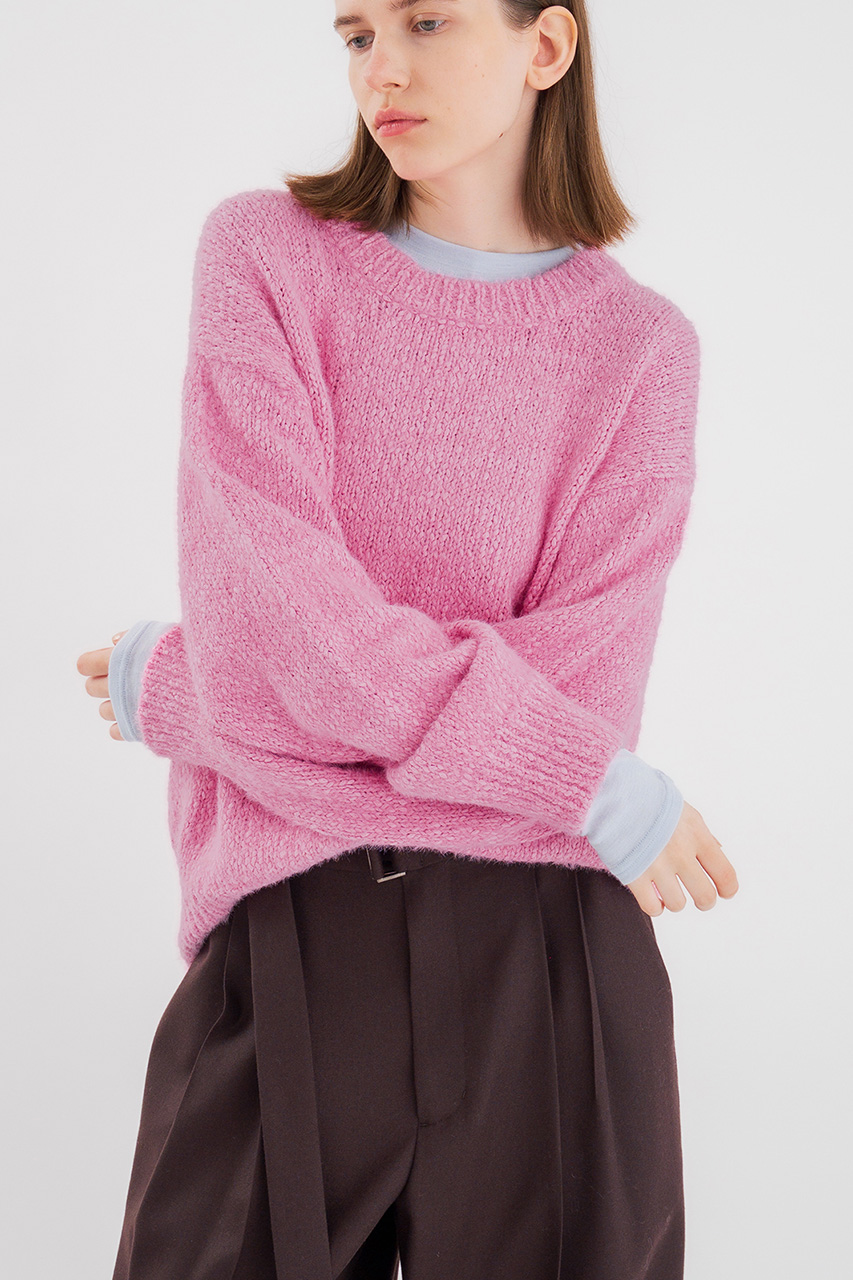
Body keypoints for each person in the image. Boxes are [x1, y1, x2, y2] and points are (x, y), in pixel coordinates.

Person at [76, 3, 739, 1277]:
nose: (382, 68)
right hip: (290, 932)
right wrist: (587, 786)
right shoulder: (266, 258)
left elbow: (572, 696)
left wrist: (198, 696)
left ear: (546, 49)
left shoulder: (642, 352)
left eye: (426, 22)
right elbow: (288, 633)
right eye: (356, 34)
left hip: (550, 959)